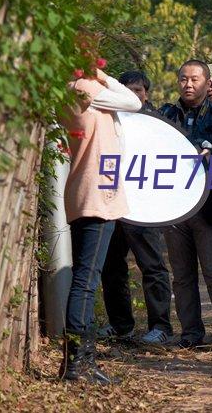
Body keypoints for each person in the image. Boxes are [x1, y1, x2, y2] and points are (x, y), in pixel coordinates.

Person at [58, 67, 142, 383]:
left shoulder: (70, 91)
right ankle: (79, 365)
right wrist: (101, 76)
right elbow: (134, 101)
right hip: (98, 196)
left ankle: (78, 361)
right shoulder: (86, 89)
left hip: (85, 192)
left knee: (85, 277)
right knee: (86, 280)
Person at [159, 60, 212, 348]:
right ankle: (191, 333)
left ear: (208, 83)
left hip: (209, 207)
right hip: (175, 207)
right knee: (181, 275)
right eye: (183, 79)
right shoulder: (165, 115)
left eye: (194, 79)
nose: (188, 85)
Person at [98, 70, 173, 345]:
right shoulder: (109, 118)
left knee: (152, 265)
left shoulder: (158, 123)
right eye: (128, 90)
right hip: (114, 202)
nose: (134, 95)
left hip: (144, 206)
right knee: (112, 266)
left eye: (138, 90)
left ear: (146, 93)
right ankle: (121, 326)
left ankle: (161, 326)